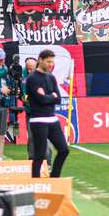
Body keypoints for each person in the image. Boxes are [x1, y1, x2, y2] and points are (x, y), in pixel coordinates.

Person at [23, 50, 69, 179]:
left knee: (64, 150)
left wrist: (47, 96)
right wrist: (50, 96)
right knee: (39, 155)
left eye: (52, 62)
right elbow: (40, 100)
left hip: (52, 119)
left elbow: (58, 98)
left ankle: (54, 177)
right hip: (38, 120)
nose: (51, 64)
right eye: (48, 61)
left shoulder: (51, 77)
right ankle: (35, 181)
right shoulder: (32, 78)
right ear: (41, 60)